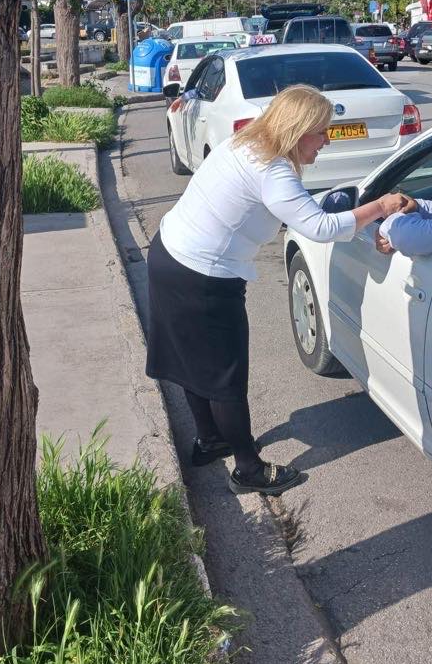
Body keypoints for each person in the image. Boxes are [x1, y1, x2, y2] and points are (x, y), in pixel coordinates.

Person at [147, 84, 412, 497]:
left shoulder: (248, 141)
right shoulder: (272, 169)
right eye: (321, 132)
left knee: (194, 363)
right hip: (202, 276)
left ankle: (209, 440)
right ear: (298, 129)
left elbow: (301, 210)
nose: (326, 141)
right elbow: (320, 228)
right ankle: (248, 469)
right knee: (225, 377)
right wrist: (380, 207)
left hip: (171, 255)